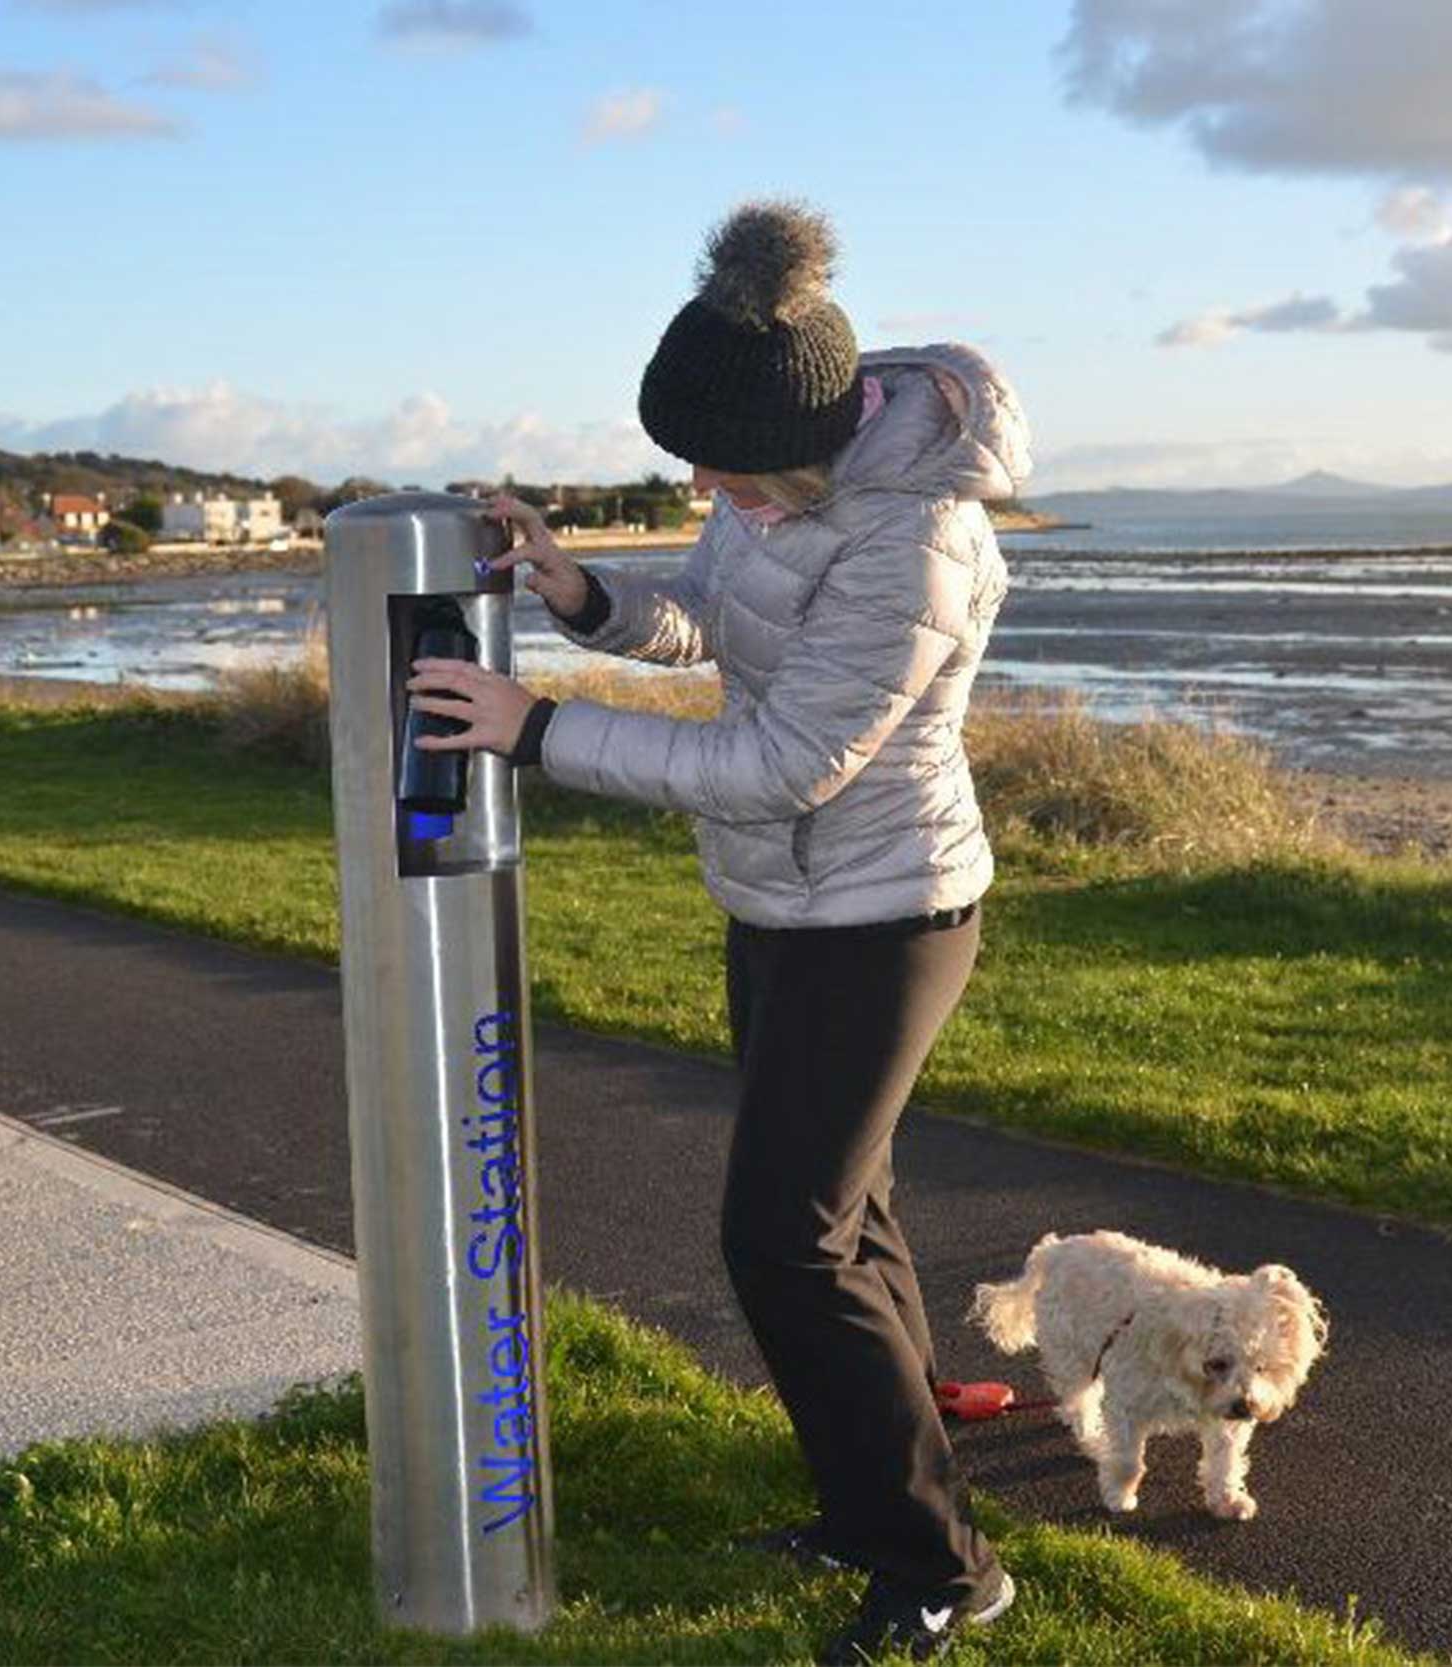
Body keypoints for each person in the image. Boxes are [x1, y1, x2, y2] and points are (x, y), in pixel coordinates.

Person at [405, 199, 1031, 1663]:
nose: (701, 483)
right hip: (784, 900)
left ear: (806, 439)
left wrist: (535, 734)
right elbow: (710, 624)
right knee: (848, 1219)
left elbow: (782, 762)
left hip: (888, 915)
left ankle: (940, 1565)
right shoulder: (779, 476)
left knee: (785, 1238)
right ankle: (876, 1501)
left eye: (719, 468)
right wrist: (584, 595)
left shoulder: (916, 547)